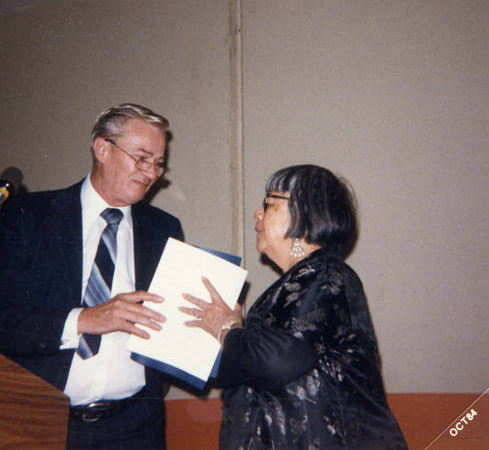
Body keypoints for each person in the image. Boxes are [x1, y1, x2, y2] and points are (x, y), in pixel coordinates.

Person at [180, 165, 407, 449]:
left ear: (306, 215)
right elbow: (243, 370)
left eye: (269, 204)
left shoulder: (326, 276)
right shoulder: (298, 283)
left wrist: (227, 328)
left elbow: (277, 361)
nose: (257, 214)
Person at [0, 103, 183, 449]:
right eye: (142, 158)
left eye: (158, 164)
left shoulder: (164, 228)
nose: (150, 172)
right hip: (40, 424)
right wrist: (84, 320)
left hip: (135, 428)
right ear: (102, 149)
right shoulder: (27, 216)